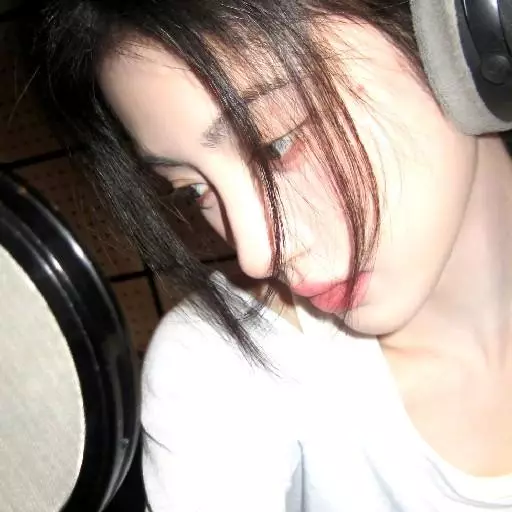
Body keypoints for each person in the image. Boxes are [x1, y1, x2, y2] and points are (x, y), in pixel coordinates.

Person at [28, 0, 512, 510]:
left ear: (478, 26)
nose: (258, 255)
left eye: (277, 145)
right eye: (193, 190)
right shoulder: (220, 375)